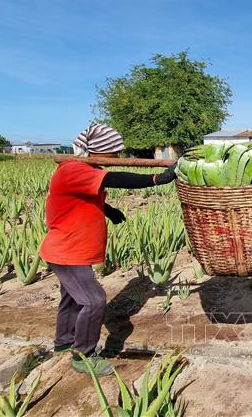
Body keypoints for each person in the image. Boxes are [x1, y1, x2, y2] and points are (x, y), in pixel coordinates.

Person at [39, 123, 178, 376]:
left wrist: (108, 210)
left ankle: (63, 342)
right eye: (113, 153)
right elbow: (113, 178)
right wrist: (157, 179)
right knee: (94, 301)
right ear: (98, 152)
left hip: (72, 251)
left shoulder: (81, 170)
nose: (115, 159)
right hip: (67, 252)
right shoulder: (73, 169)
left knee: (72, 300)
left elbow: (84, 196)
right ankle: (84, 355)